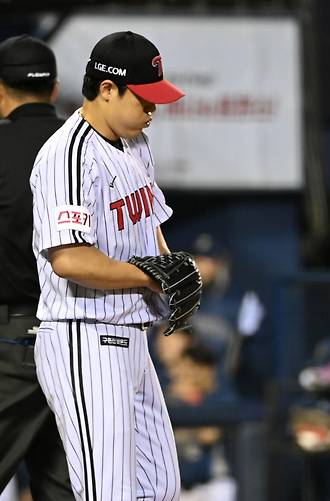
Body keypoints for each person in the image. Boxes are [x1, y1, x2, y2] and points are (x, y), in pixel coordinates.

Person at [30, 31, 186, 501]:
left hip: (131, 337)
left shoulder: (135, 143)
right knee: (109, 493)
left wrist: (168, 278)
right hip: (83, 337)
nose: (152, 109)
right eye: (144, 97)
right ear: (106, 89)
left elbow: (151, 224)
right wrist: (151, 275)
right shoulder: (68, 154)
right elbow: (69, 258)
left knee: (160, 488)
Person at [0, 35, 74, 500]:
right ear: (54, 88)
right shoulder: (91, 148)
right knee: (66, 490)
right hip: (80, 340)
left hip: (9, 338)